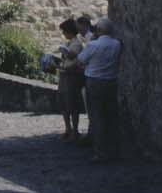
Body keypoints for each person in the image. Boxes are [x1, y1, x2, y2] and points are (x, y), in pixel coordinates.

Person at [77, 17, 122, 162]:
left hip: (94, 82)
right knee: (111, 115)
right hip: (111, 82)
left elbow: (80, 60)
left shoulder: (93, 45)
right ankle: (114, 149)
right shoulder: (117, 44)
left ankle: (100, 152)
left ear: (99, 30)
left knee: (96, 117)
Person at [52, 18, 84, 141]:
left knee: (72, 105)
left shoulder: (76, 44)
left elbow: (73, 57)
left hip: (71, 77)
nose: (63, 34)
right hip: (65, 76)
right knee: (64, 104)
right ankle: (68, 129)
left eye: (64, 31)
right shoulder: (69, 43)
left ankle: (74, 131)